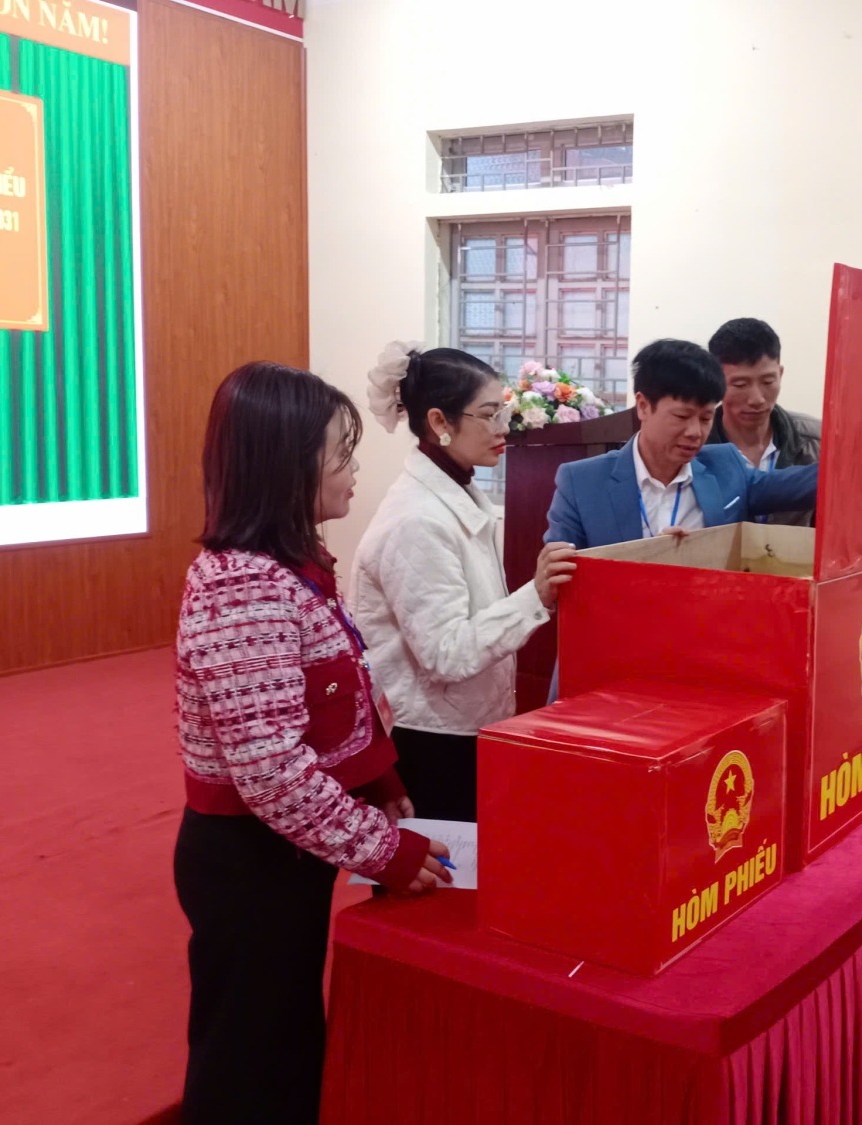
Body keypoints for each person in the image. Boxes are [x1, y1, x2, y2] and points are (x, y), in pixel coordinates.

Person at [174, 362, 452, 1125]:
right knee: (248, 1056)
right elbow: (271, 771)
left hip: (287, 852)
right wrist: (382, 849)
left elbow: (337, 693)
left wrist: (376, 779)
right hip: (249, 861)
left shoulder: (294, 568)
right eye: (341, 454)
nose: (354, 470)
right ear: (286, 466)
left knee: (287, 1032)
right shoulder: (243, 586)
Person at [354, 344, 576, 821]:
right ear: (440, 421)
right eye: (489, 415)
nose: (503, 429)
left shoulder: (455, 486)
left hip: (462, 724)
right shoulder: (417, 520)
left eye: (503, 413)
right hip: (430, 740)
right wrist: (535, 596)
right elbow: (446, 654)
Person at [544, 338, 819, 550]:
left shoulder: (725, 467)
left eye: (706, 418)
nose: (695, 432)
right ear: (643, 406)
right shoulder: (582, 482)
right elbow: (561, 578)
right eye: (681, 416)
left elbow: (806, 484)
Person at [705, 317, 820, 527]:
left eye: (768, 381)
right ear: (715, 381)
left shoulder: (818, 442)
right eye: (740, 384)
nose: (757, 399)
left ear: (780, 374)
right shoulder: (695, 447)